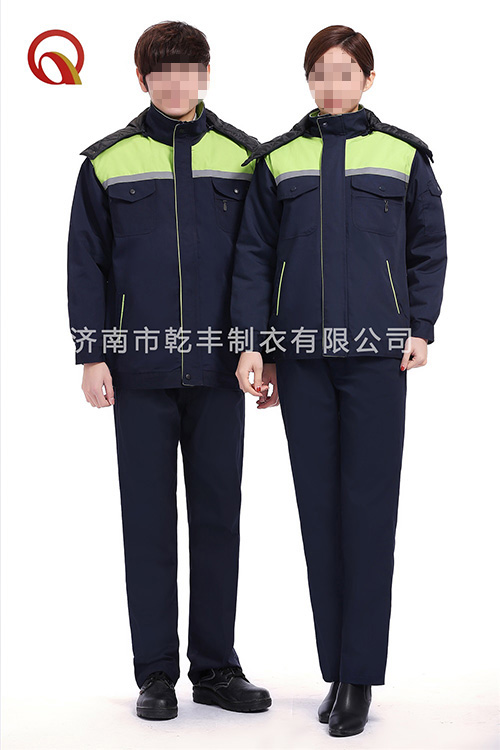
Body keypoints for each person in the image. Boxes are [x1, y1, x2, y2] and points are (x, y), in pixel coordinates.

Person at [230, 25, 447, 738]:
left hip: (377, 356)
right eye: (321, 72)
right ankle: (336, 669)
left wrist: (420, 326)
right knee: (319, 513)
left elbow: (428, 247)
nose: (332, 84)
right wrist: (255, 345)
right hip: (301, 356)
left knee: (369, 513)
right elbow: (255, 256)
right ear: (308, 79)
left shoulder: (404, 155)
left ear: (368, 79)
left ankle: (359, 677)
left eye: (346, 72)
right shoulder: (277, 159)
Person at [67, 20, 272, 720]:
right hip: (139, 371)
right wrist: (91, 353)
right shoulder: (107, 162)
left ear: (205, 75)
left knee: (218, 520)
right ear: (142, 79)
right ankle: (155, 673)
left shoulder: (244, 157)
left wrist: (259, 346)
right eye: (162, 72)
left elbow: (259, 263)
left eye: (188, 71)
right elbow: (86, 265)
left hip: (220, 370)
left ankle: (215, 668)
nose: (176, 84)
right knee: (147, 524)